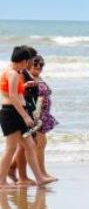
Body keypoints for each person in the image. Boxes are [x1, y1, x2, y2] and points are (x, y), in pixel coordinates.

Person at [1, 46, 53, 189]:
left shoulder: (10, 72)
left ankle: (39, 179)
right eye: (28, 62)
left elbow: (13, 92)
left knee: (30, 146)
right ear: (24, 61)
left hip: (14, 111)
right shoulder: (12, 73)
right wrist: (25, 116)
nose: (28, 65)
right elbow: (12, 96)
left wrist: (24, 86)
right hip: (13, 113)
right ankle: (1, 181)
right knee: (10, 148)